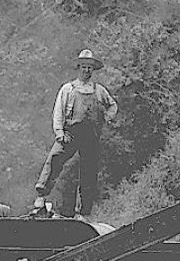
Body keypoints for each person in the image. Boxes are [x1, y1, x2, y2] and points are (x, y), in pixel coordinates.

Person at [33, 48, 119, 220]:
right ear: (78, 67)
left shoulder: (99, 90)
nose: (86, 70)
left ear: (93, 70)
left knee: (89, 173)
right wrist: (59, 132)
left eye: (89, 67)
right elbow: (58, 112)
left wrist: (106, 119)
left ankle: (84, 212)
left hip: (91, 137)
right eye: (84, 67)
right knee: (55, 158)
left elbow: (112, 106)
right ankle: (41, 197)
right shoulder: (68, 89)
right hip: (70, 134)